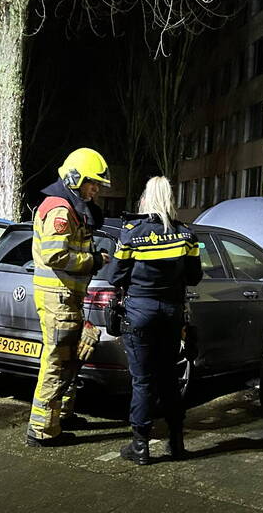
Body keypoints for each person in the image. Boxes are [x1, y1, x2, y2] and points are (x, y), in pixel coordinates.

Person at [109, 176, 202, 465]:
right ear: (171, 199)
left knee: (143, 381)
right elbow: (195, 277)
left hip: (140, 313)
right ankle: (176, 443)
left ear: (146, 198)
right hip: (171, 314)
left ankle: (140, 447)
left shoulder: (130, 234)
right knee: (169, 380)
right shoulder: (186, 235)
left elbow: (115, 277)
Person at [26, 148, 111, 447]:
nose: (96, 189)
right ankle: (42, 430)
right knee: (57, 361)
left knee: (70, 356)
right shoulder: (60, 209)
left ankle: (62, 415)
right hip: (57, 297)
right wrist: (93, 260)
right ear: (75, 178)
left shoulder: (70, 205)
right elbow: (54, 254)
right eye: (92, 183)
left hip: (66, 296)